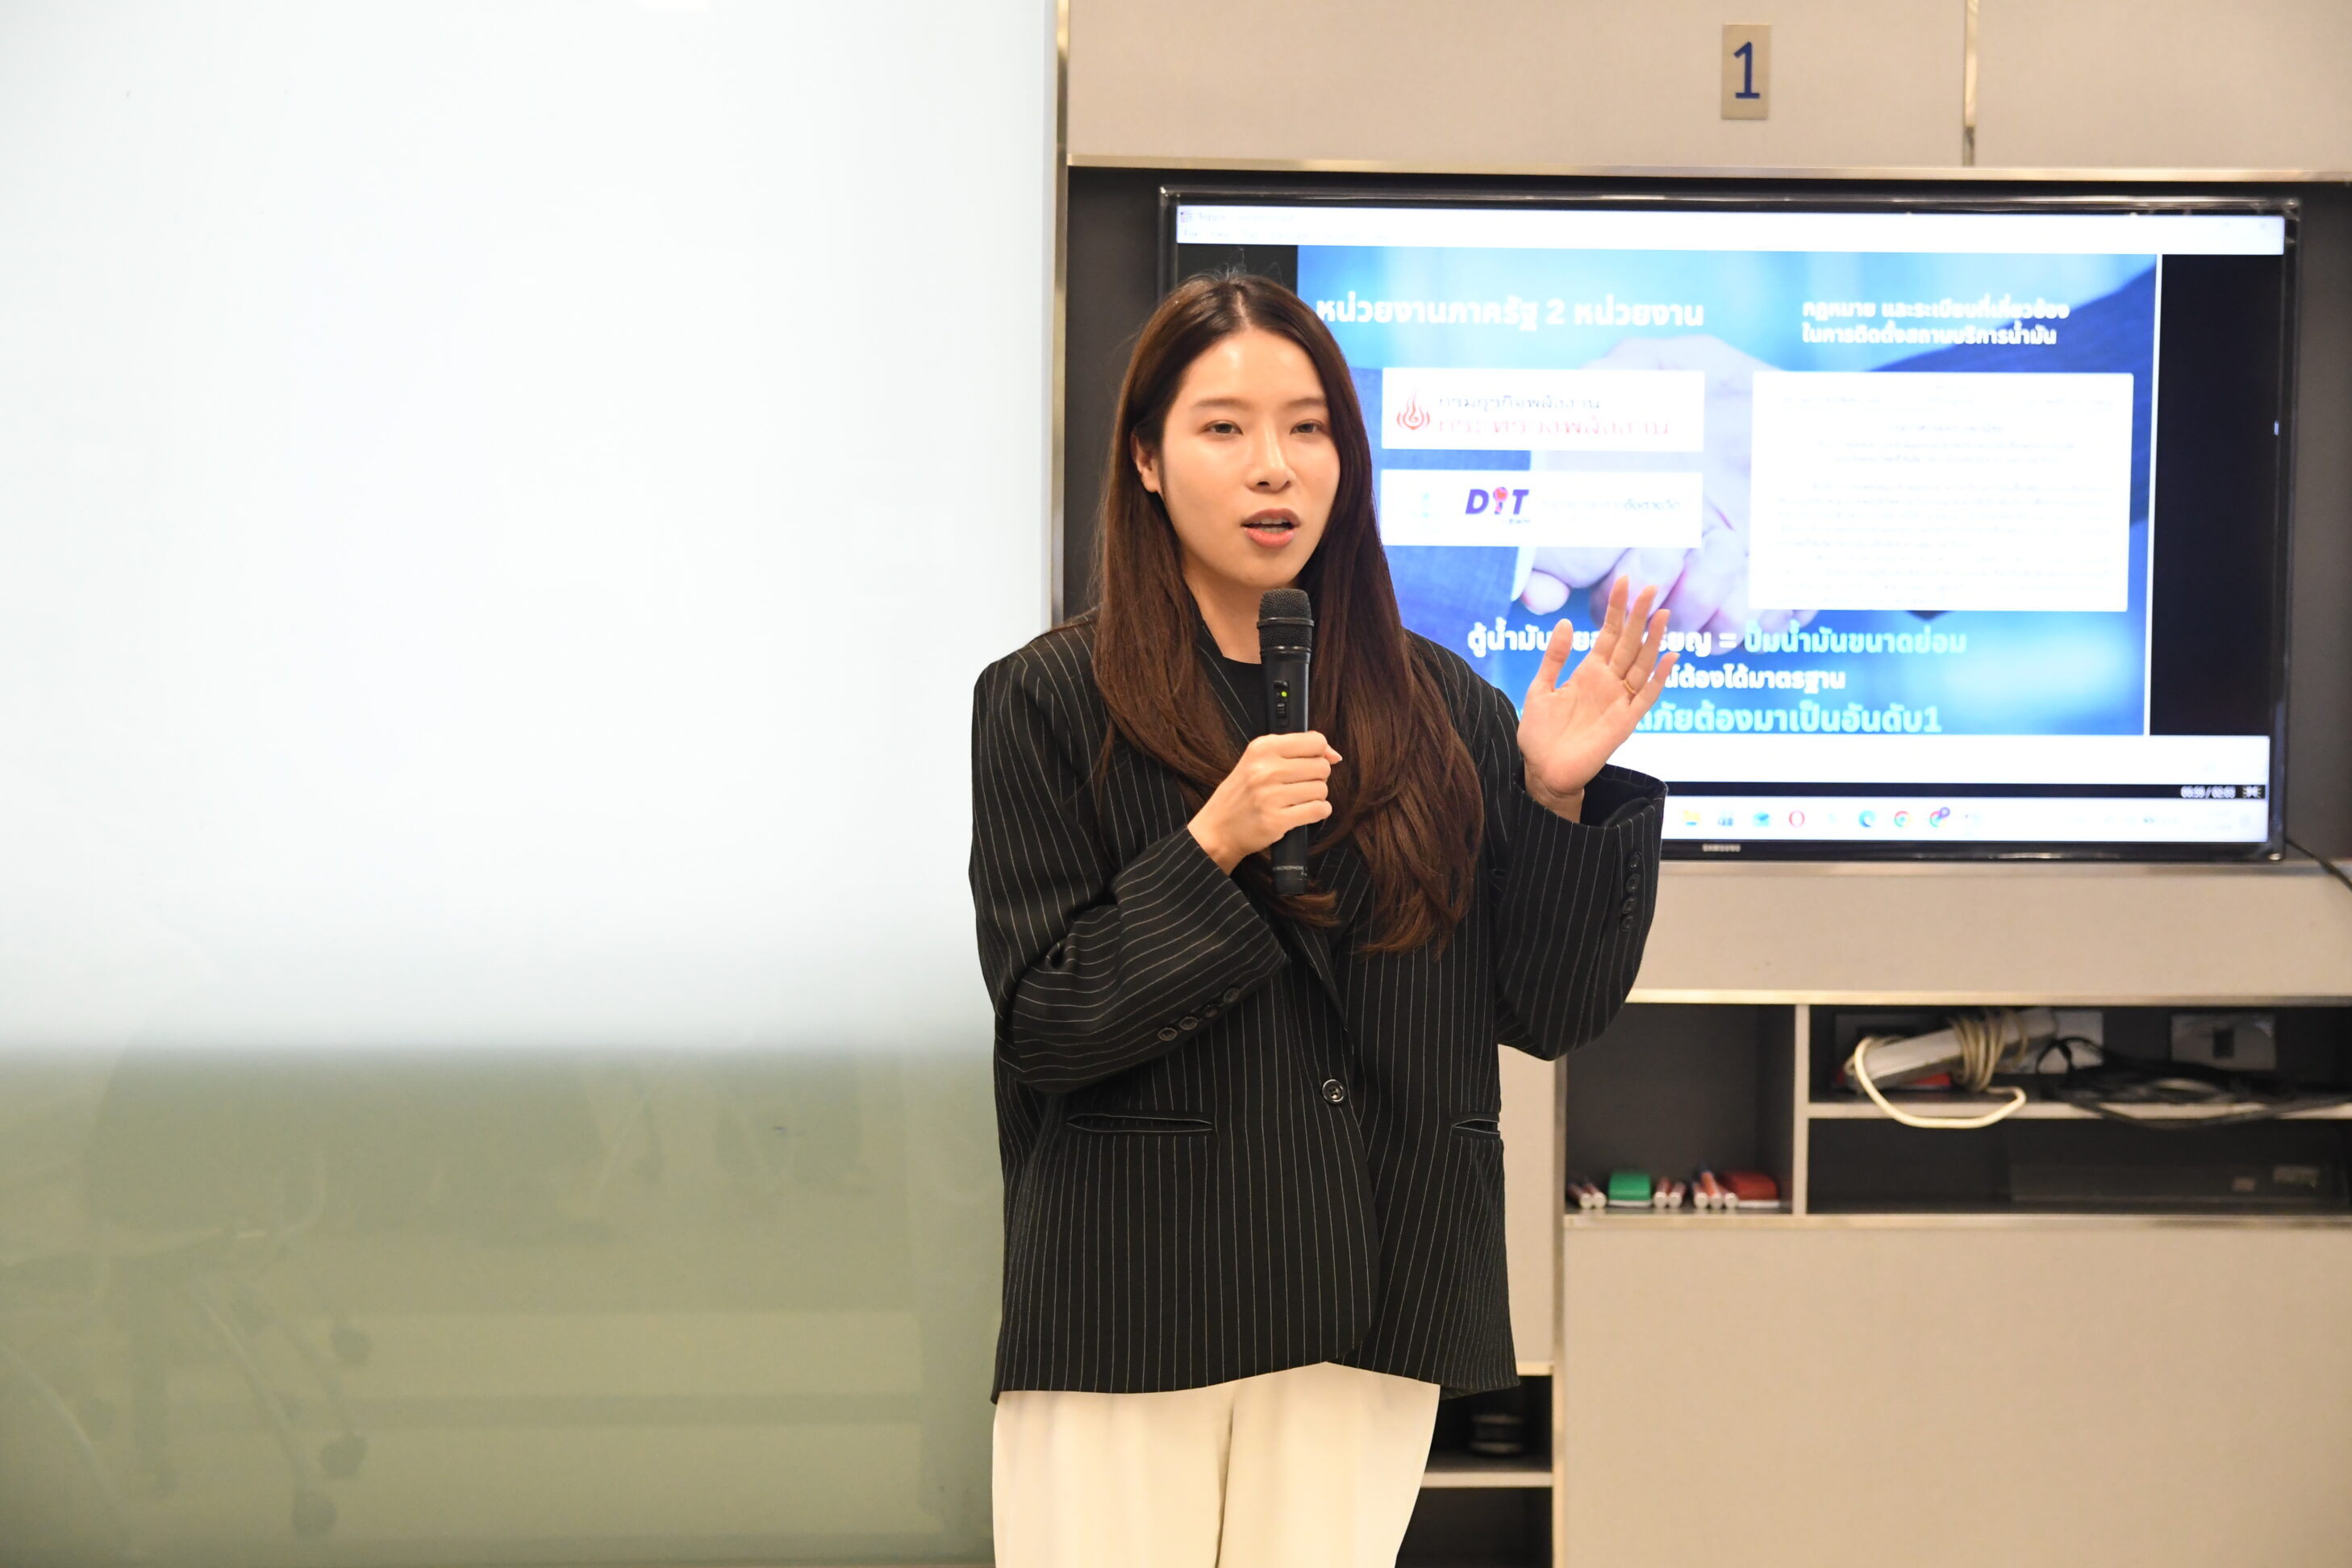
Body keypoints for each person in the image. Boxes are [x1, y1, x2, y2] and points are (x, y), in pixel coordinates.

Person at [968, 273, 1674, 1568]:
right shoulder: (1050, 701)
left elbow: (1551, 1010)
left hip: (1374, 1285)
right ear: (1145, 460)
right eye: (1224, 428)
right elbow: (1050, 1027)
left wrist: (1556, 799)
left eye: (1308, 428)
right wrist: (1213, 847)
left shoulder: (1445, 708)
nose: (1273, 466)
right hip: (1135, 1299)